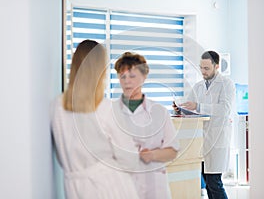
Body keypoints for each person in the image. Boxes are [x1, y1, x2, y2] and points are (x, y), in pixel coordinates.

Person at [50, 40, 139, 199]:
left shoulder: (57, 106)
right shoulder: (106, 108)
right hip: (110, 187)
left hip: (74, 187)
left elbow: (61, 152)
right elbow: (130, 161)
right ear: (100, 70)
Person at [110, 52, 180, 199]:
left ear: (144, 77)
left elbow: (173, 151)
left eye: (132, 76)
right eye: (123, 77)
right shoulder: (110, 112)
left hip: (154, 187)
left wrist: (152, 155)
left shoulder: (159, 112)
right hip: (121, 186)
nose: (127, 81)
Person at [173, 51, 236, 199]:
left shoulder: (227, 84)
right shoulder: (198, 86)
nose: (203, 71)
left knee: (215, 182)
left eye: (207, 68)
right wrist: (180, 109)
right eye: (201, 67)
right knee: (207, 183)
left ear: (216, 66)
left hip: (217, 139)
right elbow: (192, 109)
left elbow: (224, 109)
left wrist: (198, 105)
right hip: (201, 142)